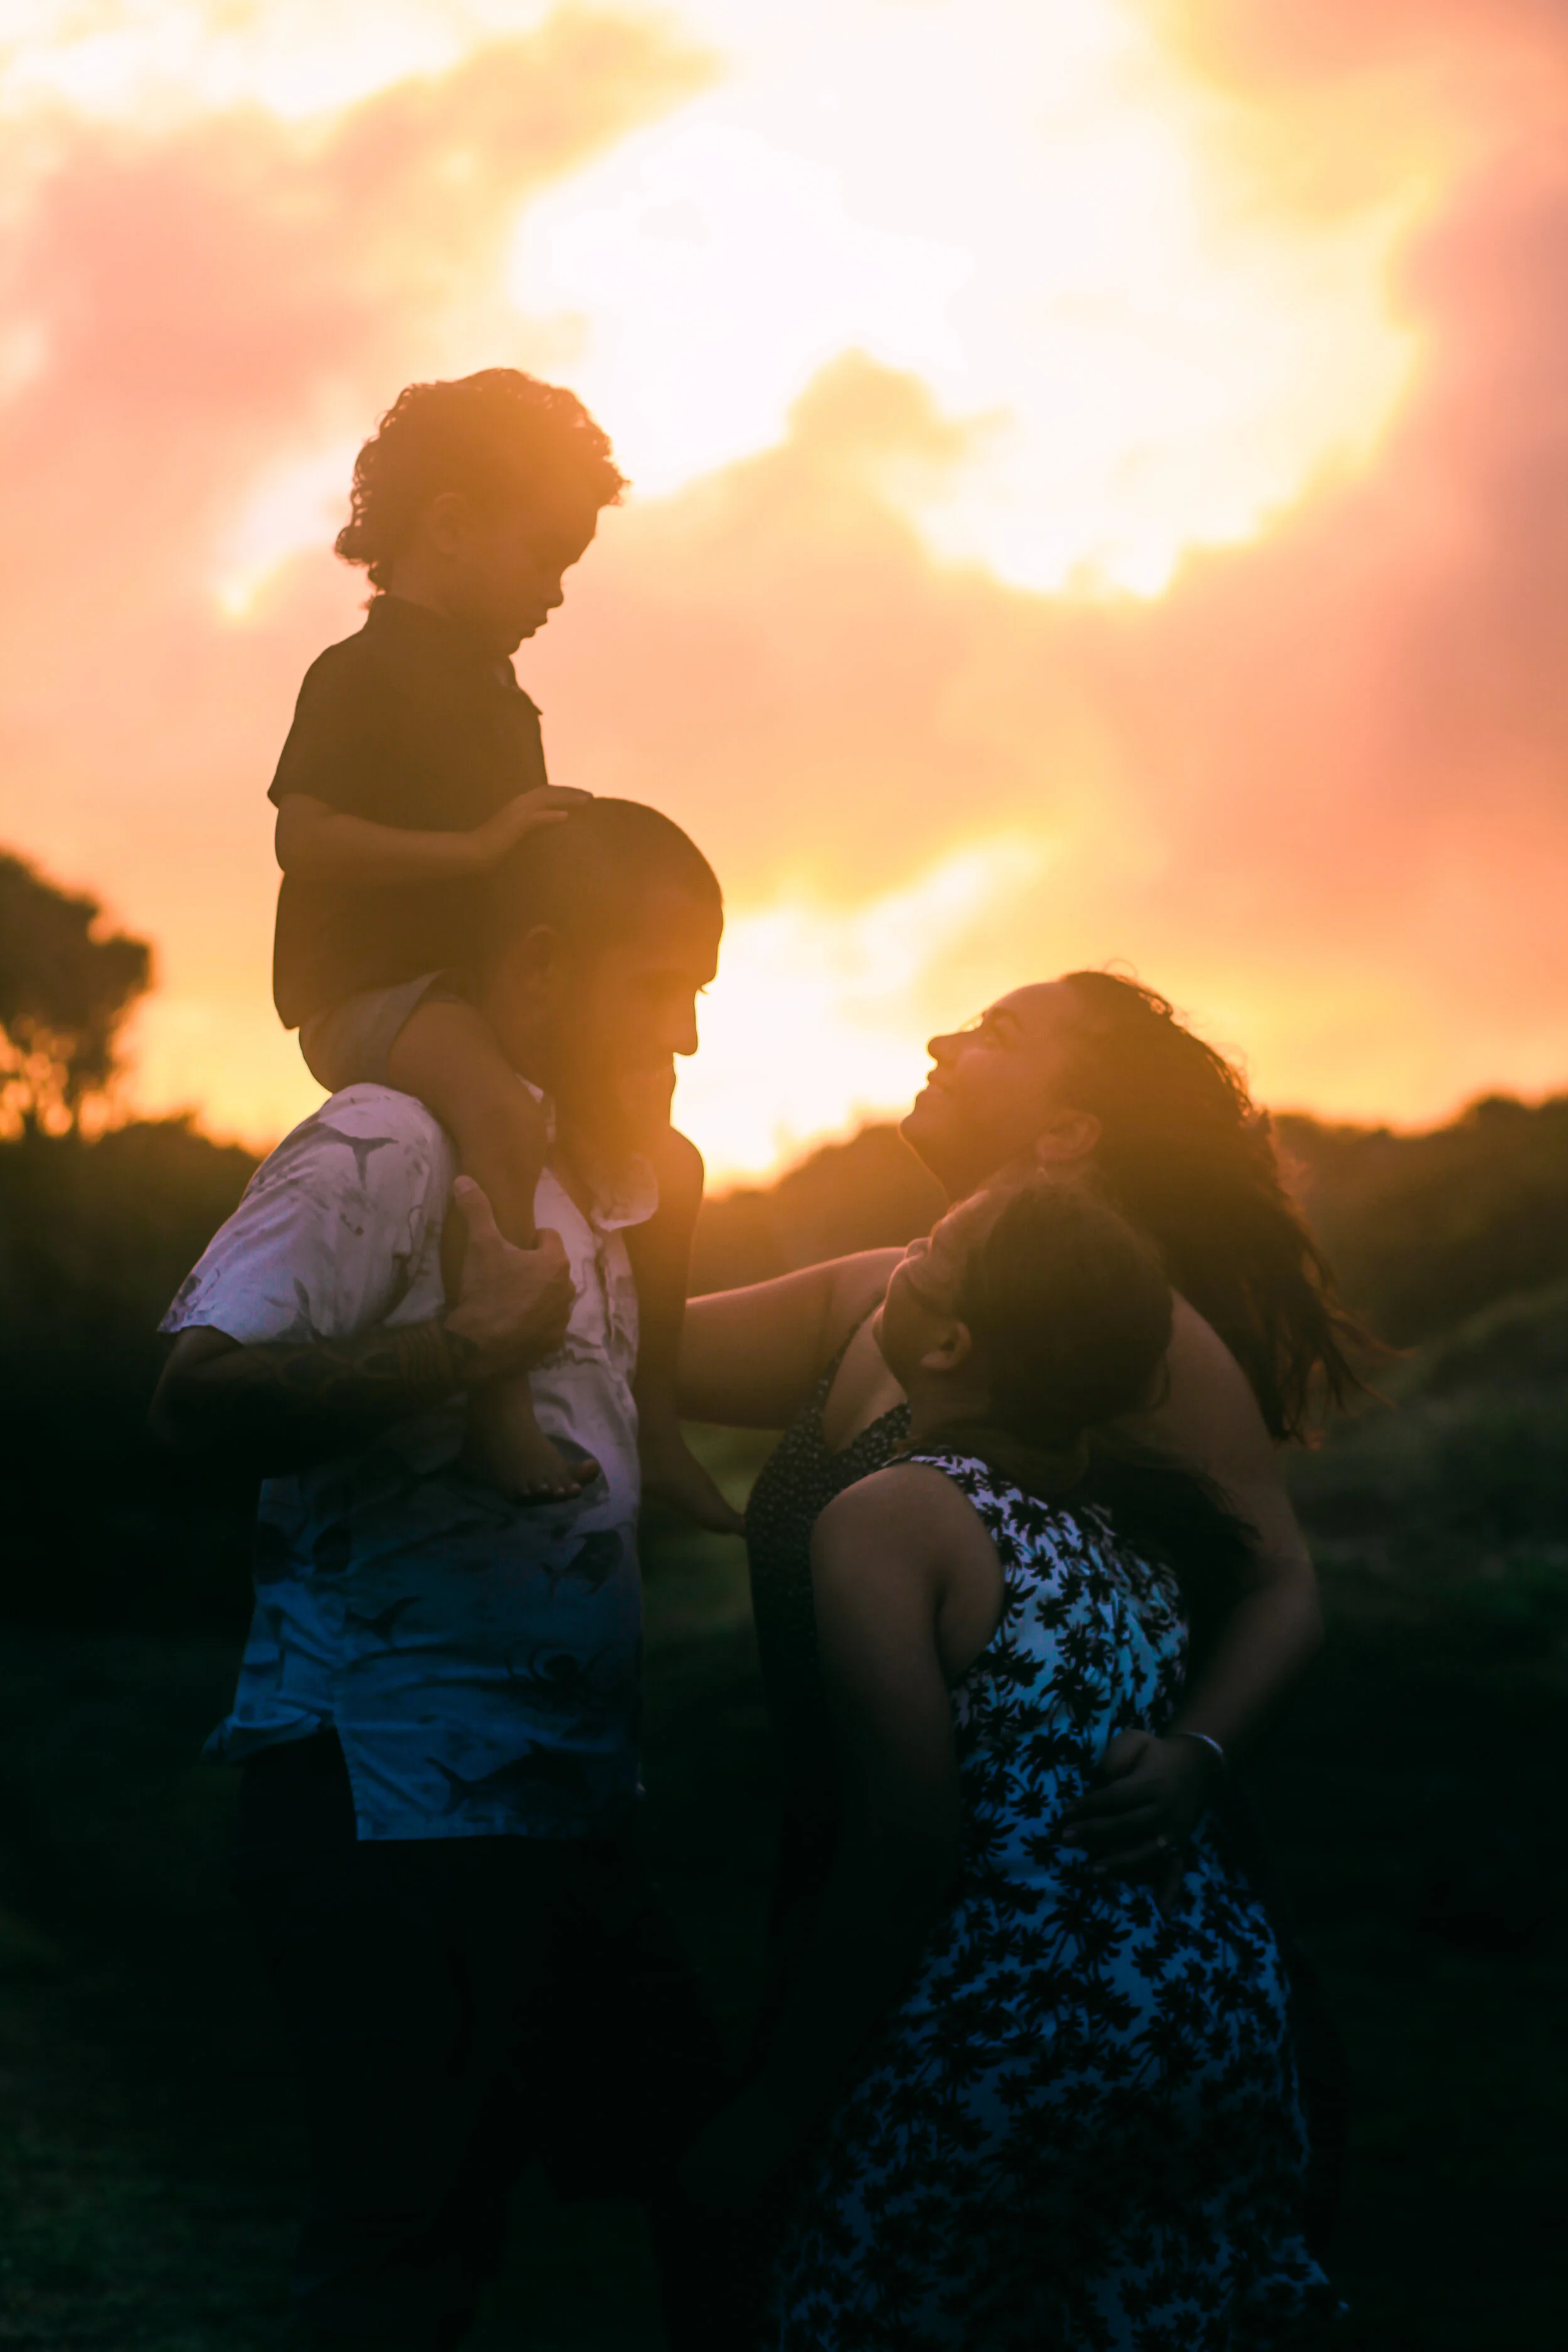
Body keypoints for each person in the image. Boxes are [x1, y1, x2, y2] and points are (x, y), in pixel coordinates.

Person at [152, 800, 738, 2352]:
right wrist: (465, 1352)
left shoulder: (610, 1185)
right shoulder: (383, 1146)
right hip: (379, 1818)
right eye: (660, 986)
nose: (688, 1032)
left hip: (558, 1818)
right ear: (538, 972)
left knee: (712, 2182)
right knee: (404, 2258)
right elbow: (196, 1392)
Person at [679, 974, 1358, 2243]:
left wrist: (1195, 1760)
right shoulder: (876, 1294)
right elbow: (611, 1346)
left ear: (1066, 1133)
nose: (943, 1036)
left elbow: (1279, 1579)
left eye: (995, 1033)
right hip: (846, 1870)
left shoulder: (1137, 1334)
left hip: (1048, 1930)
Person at [270, 365, 737, 1527]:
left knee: (666, 1158)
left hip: (477, 993)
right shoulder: (360, 672)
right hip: (371, 993)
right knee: (505, 1114)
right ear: (451, 524)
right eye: (547, 559)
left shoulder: (497, 688)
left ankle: (660, 1422)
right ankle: (497, 1401)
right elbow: (306, 840)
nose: (558, 594)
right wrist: (476, 852)